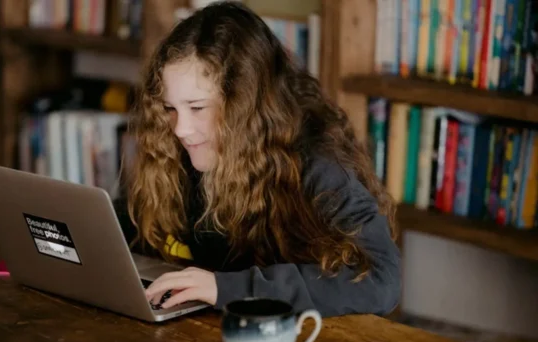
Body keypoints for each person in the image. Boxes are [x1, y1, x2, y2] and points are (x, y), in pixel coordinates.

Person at [112, 1, 401, 317]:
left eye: (197, 108)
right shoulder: (184, 150)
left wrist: (227, 288)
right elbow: (134, 225)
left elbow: (380, 279)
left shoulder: (317, 162)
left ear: (244, 106)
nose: (181, 129)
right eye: (170, 109)